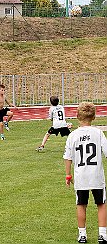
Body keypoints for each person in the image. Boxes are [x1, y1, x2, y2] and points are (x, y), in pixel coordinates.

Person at [63, 102, 107, 244]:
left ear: (77, 116)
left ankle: (82, 234)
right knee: (101, 203)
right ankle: (102, 235)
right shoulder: (98, 133)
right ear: (94, 117)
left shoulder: (73, 135)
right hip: (96, 176)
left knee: (81, 204)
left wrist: (68, 175)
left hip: (81, 176)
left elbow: (68, 157)